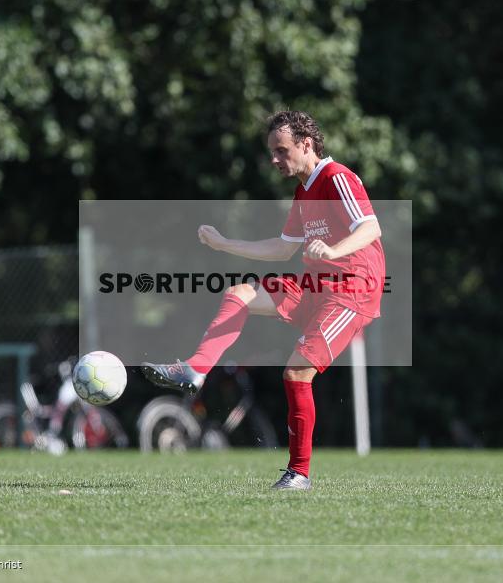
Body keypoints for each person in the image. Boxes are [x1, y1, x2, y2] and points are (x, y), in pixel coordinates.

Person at [141, 110, 385, 490]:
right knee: (238, 293)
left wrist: (334, 251)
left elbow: (371, 227)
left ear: (306, 145)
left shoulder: (337, 178)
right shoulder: (304, 190)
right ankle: (195, 369)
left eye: (281, 150)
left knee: (295, 373)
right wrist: (225, 244)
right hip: (318, 283)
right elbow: (282, 248)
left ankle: (298, 475)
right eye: (272, 151)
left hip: (352, 289)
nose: (274, 159)